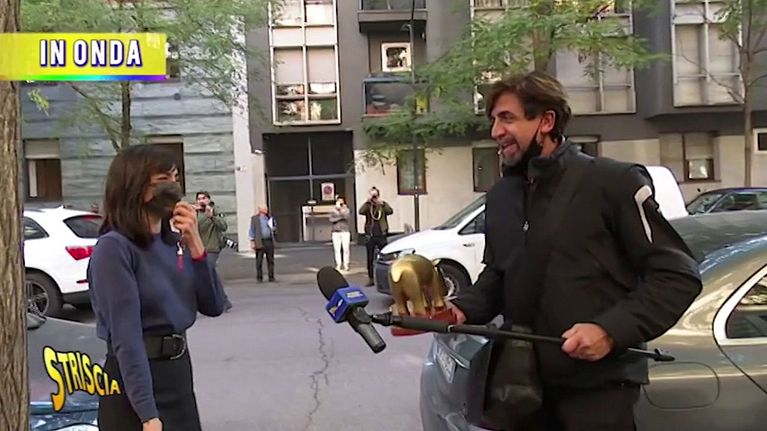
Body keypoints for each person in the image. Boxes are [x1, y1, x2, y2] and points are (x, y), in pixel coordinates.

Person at [447, 71, 703, 430]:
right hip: (521, 389)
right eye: (493, 120)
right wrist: (459, 309)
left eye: (507, 118)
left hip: (598, 393)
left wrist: (609, 330)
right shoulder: (502, 196)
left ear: (546, 121)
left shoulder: (613, 183)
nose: (495, 132)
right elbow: (500, 276)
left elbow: (676, 276)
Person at [87, 144, 226, 431]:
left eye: (175, 178)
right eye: (163, 180)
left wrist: (196, 245)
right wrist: (148, 415)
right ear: (134, 187)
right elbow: (126, 338)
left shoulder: (172, 243)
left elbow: (214, 305)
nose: (173, 188)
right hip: (135, 385)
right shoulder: (115, 248)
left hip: (177, 375)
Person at [195, 191, 232, 311]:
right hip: (198, 247)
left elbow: (223, 226)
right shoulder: (195, 213)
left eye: (204, 198)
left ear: (209, 200)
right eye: (199, 199)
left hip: (212, 247)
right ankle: (223, 300)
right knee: (210, 274)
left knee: (209, 272)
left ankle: (222, 301)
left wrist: (212, 217)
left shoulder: (215, 211)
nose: (201, 201)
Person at [358, 186, 393, 286]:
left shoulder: (382, 205)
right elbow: (360, 211)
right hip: (370, 235)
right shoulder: (368, 206)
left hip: (381, 234)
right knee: (370, 258)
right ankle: (371, 278)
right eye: (372, 195)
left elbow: (390, 211)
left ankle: (386, 278)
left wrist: (383, 204)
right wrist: (367, 202)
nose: (374, 197)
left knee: (384, 257)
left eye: (375, 195)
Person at [249, 205, 276, 283]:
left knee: (270, 260)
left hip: (269, 241)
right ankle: (259, 277)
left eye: (266, 208)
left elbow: (274, 227)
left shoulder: (269, 218)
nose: (266, 210)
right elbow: (252, 230)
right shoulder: (255, 219)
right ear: (260, 210)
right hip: (260, 241)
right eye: (264, 208)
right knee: (259, 260)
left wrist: (273, 228)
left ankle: (271, 277)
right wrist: (252, 241)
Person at [329, 195, 351, 272]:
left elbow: (346, 217)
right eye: (338, 201)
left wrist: (340, 211)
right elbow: (331, 219)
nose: (340, 202)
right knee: (337, 249)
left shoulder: (346, 209)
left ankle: (346, 264)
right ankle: (338, 264)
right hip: (335, 232)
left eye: (341, 201)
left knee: (346, 248)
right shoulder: (333, 210)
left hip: (345, 231)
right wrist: (340, 217)